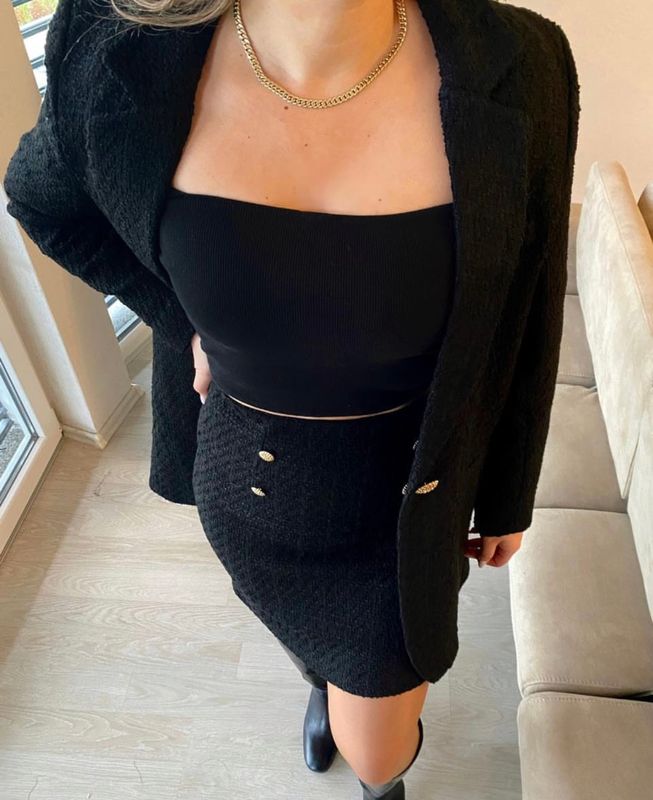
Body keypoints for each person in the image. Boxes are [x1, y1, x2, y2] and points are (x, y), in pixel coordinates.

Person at [3, 0, 580, 797]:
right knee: (309, 647)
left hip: (405, 512)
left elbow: (530, 298)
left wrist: (509, 493)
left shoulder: (523, 62)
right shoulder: (114, 38)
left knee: (375, 750)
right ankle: (321, 674)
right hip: (244, 489)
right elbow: (44, 202)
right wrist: (182, 319)